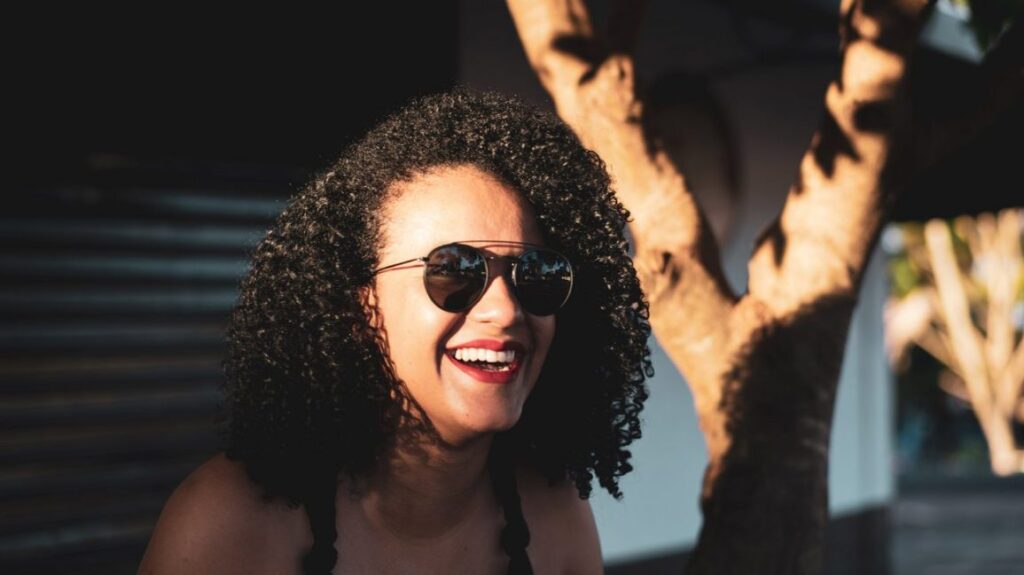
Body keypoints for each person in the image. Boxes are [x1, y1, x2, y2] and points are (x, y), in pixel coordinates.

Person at [138, 89, 653, 574]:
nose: (505, 310)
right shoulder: (228, 526)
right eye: (454, 271)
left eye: (536, 274)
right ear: (360, 306)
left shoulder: (553, 517)